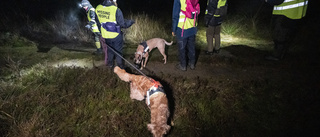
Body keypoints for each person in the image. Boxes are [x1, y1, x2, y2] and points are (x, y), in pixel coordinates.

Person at [95, 0, 135, 69]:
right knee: (118, 51)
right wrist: (131, 22)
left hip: (106, 35)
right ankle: (120, 66)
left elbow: (98, 23)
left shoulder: (98, 8)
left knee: (110, 50)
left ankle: (110, 65)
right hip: (116, 35)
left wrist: (101, 32)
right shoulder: (116, 9)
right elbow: (123, 24)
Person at [172, 0, 198, 71]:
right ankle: (192, 64)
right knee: (191, 47)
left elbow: (175, 16)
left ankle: (183, 65)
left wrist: (174, 29)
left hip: (182, 29)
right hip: (193, 27)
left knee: (182, 48)